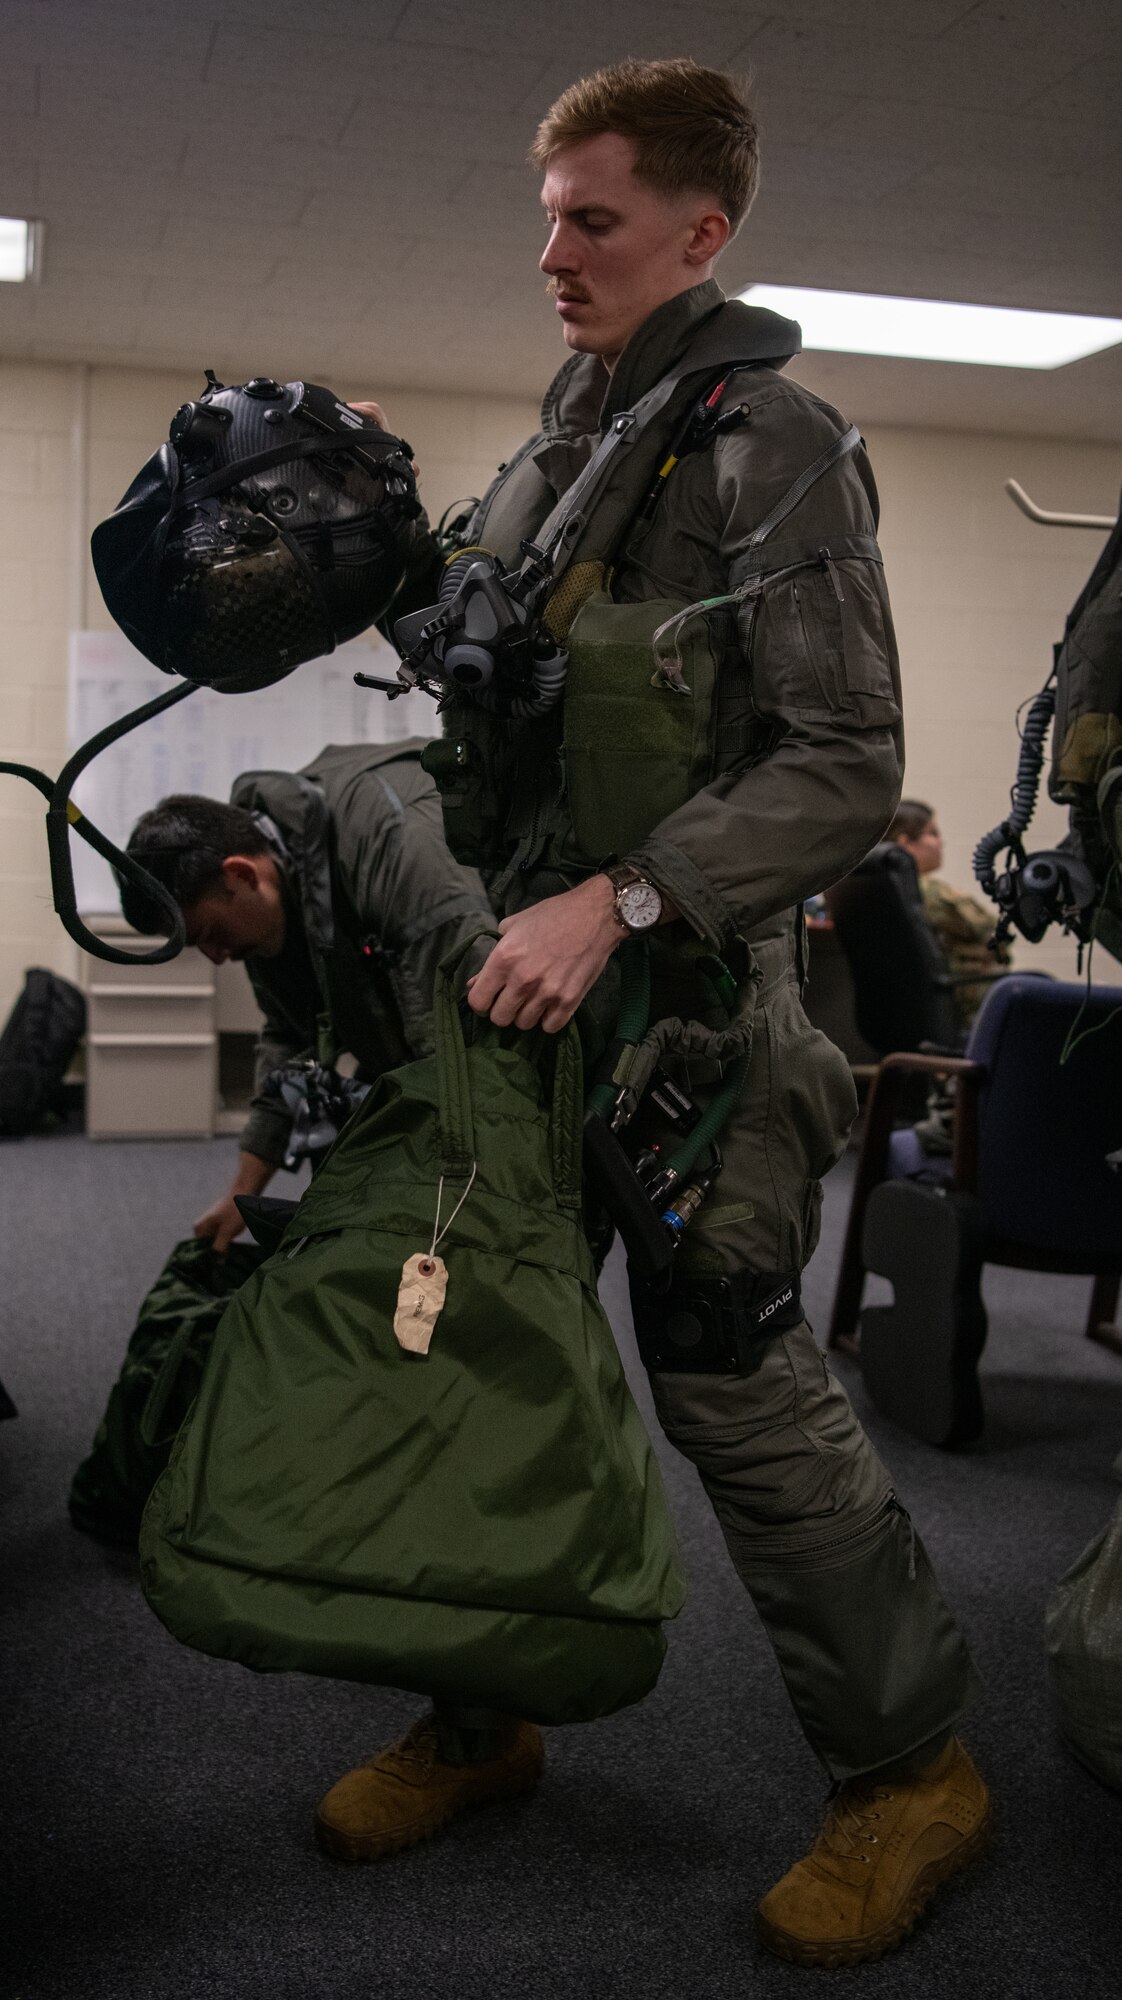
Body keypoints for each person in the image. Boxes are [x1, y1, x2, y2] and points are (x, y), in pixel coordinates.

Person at [316, 60, 991, 1971]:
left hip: (689, 1015)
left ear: (702, 231)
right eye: (543, 214)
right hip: (517, 1019)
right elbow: (488, 665)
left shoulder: (777, 439)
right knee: (480, 1367)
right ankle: (484, 1706)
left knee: (740, 1398)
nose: (551, 253)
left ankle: (911, 1774)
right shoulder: (566, 432)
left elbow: (849, 764)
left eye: (590, 218)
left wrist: (619, 903)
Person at [121, 742, 494, 1250]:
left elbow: (468, 1042)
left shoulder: (393, 839)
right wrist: (241, 1194)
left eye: (209, 932)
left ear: (241, 874)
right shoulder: (276, 881)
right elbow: (290, 1039)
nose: (215, 956)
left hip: (521, 1031)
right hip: (431, 1049)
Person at [888, 798, 1010, 1033]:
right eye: (932, 833)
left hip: (915, 1007)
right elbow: (987, 927)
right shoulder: (928, 893)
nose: (940, 841)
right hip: (966, 1001)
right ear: (905, 842)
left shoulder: (886, 885)